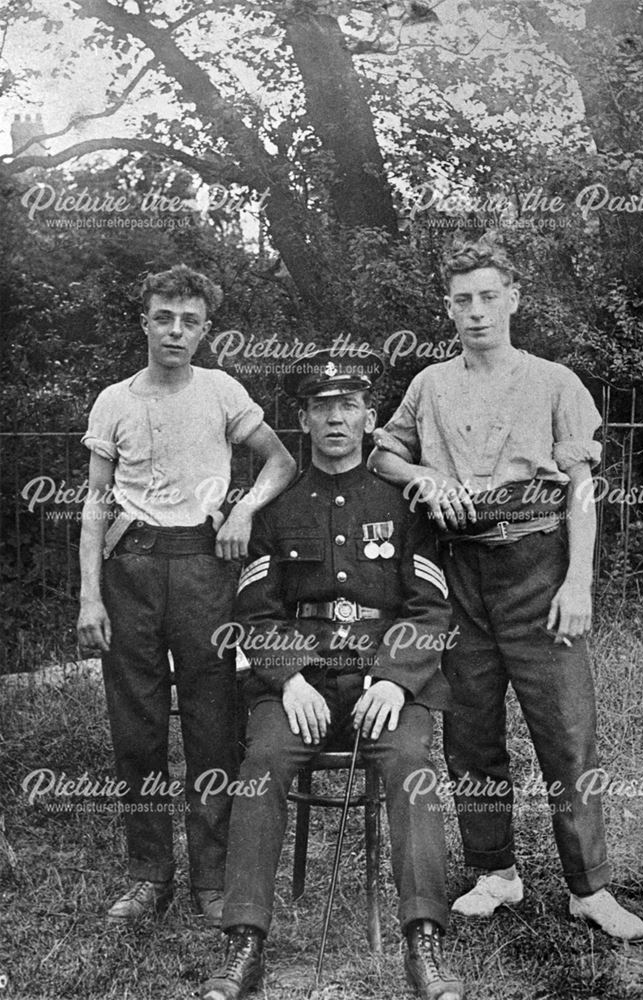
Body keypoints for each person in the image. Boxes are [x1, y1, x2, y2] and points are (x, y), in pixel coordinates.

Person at [368, 237, 643, 942]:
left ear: (513, 299)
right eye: (462, 300)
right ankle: (494, 872)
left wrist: (576, 582)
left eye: (489, 296)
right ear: (448, 308)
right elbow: (383, 452)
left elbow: (581, 488)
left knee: (565, 733)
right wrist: (422, 477)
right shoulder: (429, 384)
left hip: (536, 565)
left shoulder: (553, 380)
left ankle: (589, 887)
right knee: (470, 734)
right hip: (457, 573)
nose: (476, 311)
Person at [201, 350, 464, 1000]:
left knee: (411, 764)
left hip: (383, 678)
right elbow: (254, 614)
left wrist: (396, 679)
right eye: (323, 407)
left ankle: (422, 943)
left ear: (370, 416)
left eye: (348, 405)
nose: (336, 418)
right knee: (260, 765)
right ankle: (244, 946)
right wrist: (287, 679)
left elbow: (429, 608)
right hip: (302, 684)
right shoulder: (276, 509)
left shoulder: (405, 506)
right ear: (305, 419)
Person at [77, 264, 296, 926]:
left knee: (211, 724)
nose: (176, 331)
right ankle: (148, 875)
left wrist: (242, 510)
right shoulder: (114, 400)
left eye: (189, 321)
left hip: (205, 570)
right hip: (131, 571)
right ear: (144, 321)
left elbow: (282, 462)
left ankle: (210, 875)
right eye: (164, 317)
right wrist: (90, 597)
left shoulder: (222, 391)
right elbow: (93, 505)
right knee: (136, 731)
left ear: (205, 330)